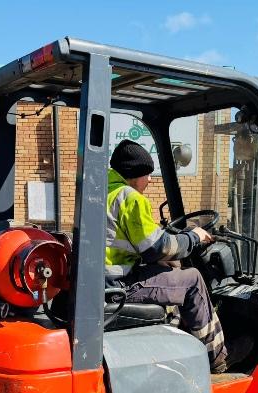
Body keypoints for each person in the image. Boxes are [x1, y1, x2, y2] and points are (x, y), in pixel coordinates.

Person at [105, 139, 250, 373]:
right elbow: (156, 248)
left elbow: (143, 241)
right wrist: (195, 237)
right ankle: (218, 357)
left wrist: (171, 246)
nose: (150, 180)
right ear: (134, 173)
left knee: (168, 272)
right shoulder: (130, 198)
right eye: (147, 174)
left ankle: (180, 342)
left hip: (106, 281)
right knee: (192, 279)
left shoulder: (105, 192)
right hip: (119, 285)